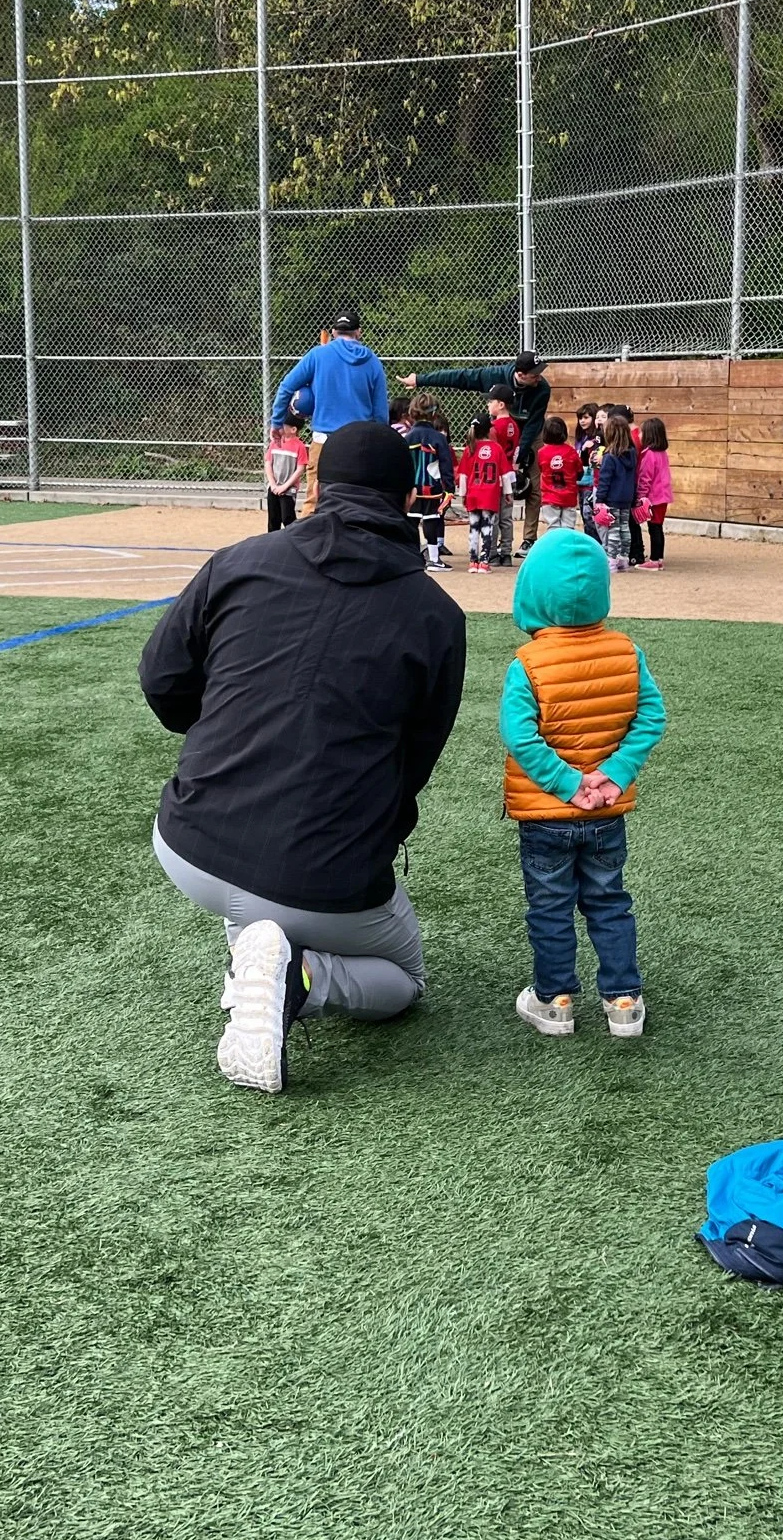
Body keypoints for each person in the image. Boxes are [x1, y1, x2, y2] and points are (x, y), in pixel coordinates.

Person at [139, 420, 467, 1093]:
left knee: (261, 907)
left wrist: (221, 734)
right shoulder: (435, 615)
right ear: (408, 500)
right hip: (325, 877)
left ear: (317, 486)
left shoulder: (237, 560)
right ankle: (299, 978)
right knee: (403, 981)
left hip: (190, 847)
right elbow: (415, 762)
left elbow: (162, 681)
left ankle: (257, 955)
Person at [499, 532, 667, 1040]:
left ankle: (555, 1001)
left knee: (549, 907)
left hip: (547, 816)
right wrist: (614, 774)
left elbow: (520, 737)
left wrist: (568, 784)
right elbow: (651, 717)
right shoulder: (626, 652)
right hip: (606, 813)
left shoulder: (527, 663)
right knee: (609, 900)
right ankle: (623, 1001)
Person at [400, 352, 551, 549]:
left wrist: (521, 453)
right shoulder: (496, 375)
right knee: (495, 483)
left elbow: (534, 423)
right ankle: (494, 537)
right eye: (534, 374)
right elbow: (460, 377)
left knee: (534, 486)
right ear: (521, 374)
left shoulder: (542, 388)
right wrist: (419, 379)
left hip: (530, 432)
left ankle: (529, 539)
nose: (539, 377)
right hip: (499, 430)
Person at [269, 304, 390, 514]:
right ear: (359, 332)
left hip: (324, 440)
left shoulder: (318, 355)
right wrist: (380, 443)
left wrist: (277, 422)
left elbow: (286, 387)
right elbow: (380, 413)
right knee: (357, 501)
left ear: (333, 332)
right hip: (358, 443)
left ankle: (308, 545)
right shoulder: (372, 362)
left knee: (315, 501)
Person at [404, 393, 456, 569]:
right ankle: (434, 559)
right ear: (435, 414)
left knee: (411, 521)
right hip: (432, 488)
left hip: (411, 488)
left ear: (412, 413)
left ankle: (410, 557)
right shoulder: (439, 438)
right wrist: (450, 489)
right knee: (431, 520)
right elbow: (446, 467)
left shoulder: (407, 438)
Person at [459, 411, 505, 572]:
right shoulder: (497, 448)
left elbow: (463, 475)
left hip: (473, 493)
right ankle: (484, 562)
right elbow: (505, 474)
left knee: (474, 527)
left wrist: (462, 494)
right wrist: (508, 493)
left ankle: (473, 561)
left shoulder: (469, 448)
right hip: (490, 493)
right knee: (487, 526)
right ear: (489, 430)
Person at [594, 416, 639, 572]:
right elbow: (634, 478)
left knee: (613, 529)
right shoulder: (632, 454)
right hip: (626, 498)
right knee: (625, 528)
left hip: (612, 499)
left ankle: (611, 559)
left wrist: (599, 500)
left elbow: (604, 481)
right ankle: (623, 558)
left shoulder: (609, 457)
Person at [487, 394, 521, 564]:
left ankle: (492, 553)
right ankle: (506, 553)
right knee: (506, 517)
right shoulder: (514, 425)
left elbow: (492, 452)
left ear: (501, 404)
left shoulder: (493, 426)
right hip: (510, 473)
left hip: (496, 475)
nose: (488, 404)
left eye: (490, 401)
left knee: (493, 515)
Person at [533, 416, 581, 531]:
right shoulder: (571, 451)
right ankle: (567, 549)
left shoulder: (542, 453)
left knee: (553, 527)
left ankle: (555, 548)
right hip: (569, 496)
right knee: (568, 528)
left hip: (550, 496)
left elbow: (541, 468)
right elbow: (579, 471)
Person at [636, 416, 672, 568]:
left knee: (654, 528)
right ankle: (658, 559)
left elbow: (645, 478)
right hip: (662, 496)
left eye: (642, 432)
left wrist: (640, 496)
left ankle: (655, 560)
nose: (639, 435)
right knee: (657, 527)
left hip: (654, 497)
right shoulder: (662, 453)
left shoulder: (649, 454)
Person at [265, 421, 307, 531]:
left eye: (283, 425)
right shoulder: (275, 443)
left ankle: (294, 542)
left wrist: (285, 486)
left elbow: (300, 469)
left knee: (288, 519)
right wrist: (273, 485)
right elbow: (268, 463)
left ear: (293, 430)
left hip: (289, 490)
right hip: (273, 488)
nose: (279, 427)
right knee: (273, 520)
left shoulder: (299, 446)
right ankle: (272, 544)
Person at [574, 406, 602, 537]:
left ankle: (597, 546)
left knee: (589, 515)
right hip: (581, 482)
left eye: (586, 417)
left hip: (592, 483)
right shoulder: (580, 438)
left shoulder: (597, 439)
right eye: (580, 418)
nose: (582, 421)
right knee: (585, 516)